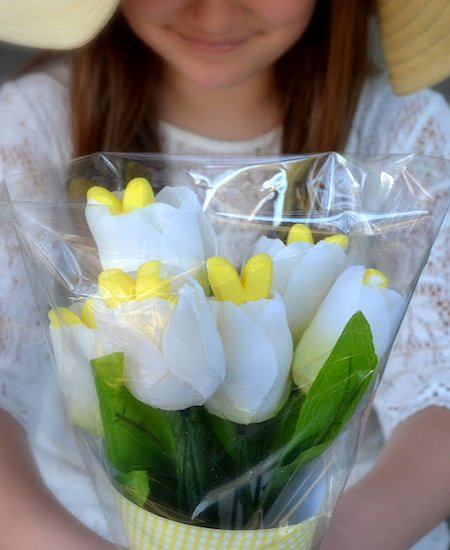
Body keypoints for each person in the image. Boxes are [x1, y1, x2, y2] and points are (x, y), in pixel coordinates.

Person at [0, 1, 449, 549]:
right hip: (71, 522)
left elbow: (438, 397)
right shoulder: (30, 122)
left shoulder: (408, 128)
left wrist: (334, 539)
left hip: (353, 520)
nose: (213, 12)